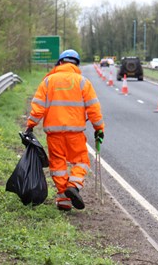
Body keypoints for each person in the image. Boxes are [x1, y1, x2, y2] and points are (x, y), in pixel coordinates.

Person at [25, 49, 104, 211]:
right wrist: (99, 128)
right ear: (76, 64)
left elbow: (38, 107)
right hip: (75, 133)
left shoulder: (48, 81)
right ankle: (73, 186)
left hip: (54, 133)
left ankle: (64, 200)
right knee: (81, 161)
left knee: (58, 166)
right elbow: (93, 109)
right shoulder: (83, 82)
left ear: (60, 63)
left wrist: (30, 125)